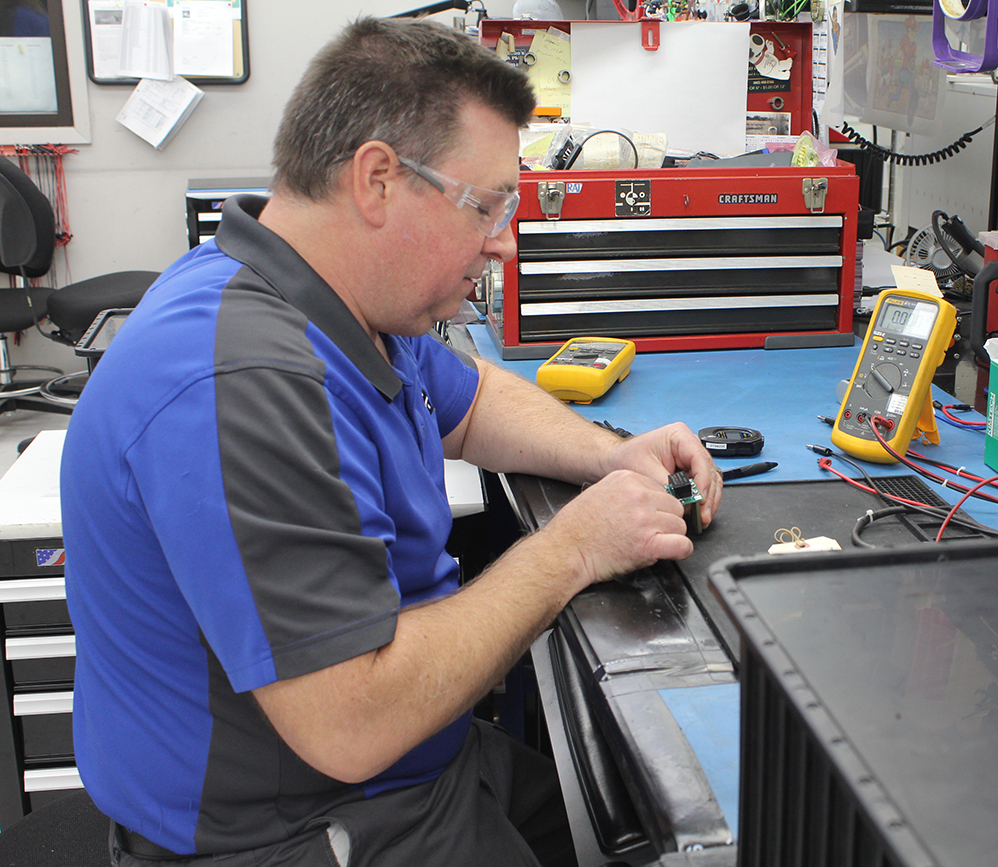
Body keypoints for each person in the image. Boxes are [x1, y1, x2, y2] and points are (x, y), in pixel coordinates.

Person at [60, 17, 721, 867]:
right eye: (486, 205)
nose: (504, 240)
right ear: (377, 180)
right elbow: (353, 723)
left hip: (413, 765)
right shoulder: (243, 381)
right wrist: (574, 548)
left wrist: (607, 451)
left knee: (651, 825)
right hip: (297, 826)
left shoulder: (334, 296)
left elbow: (470, 400)